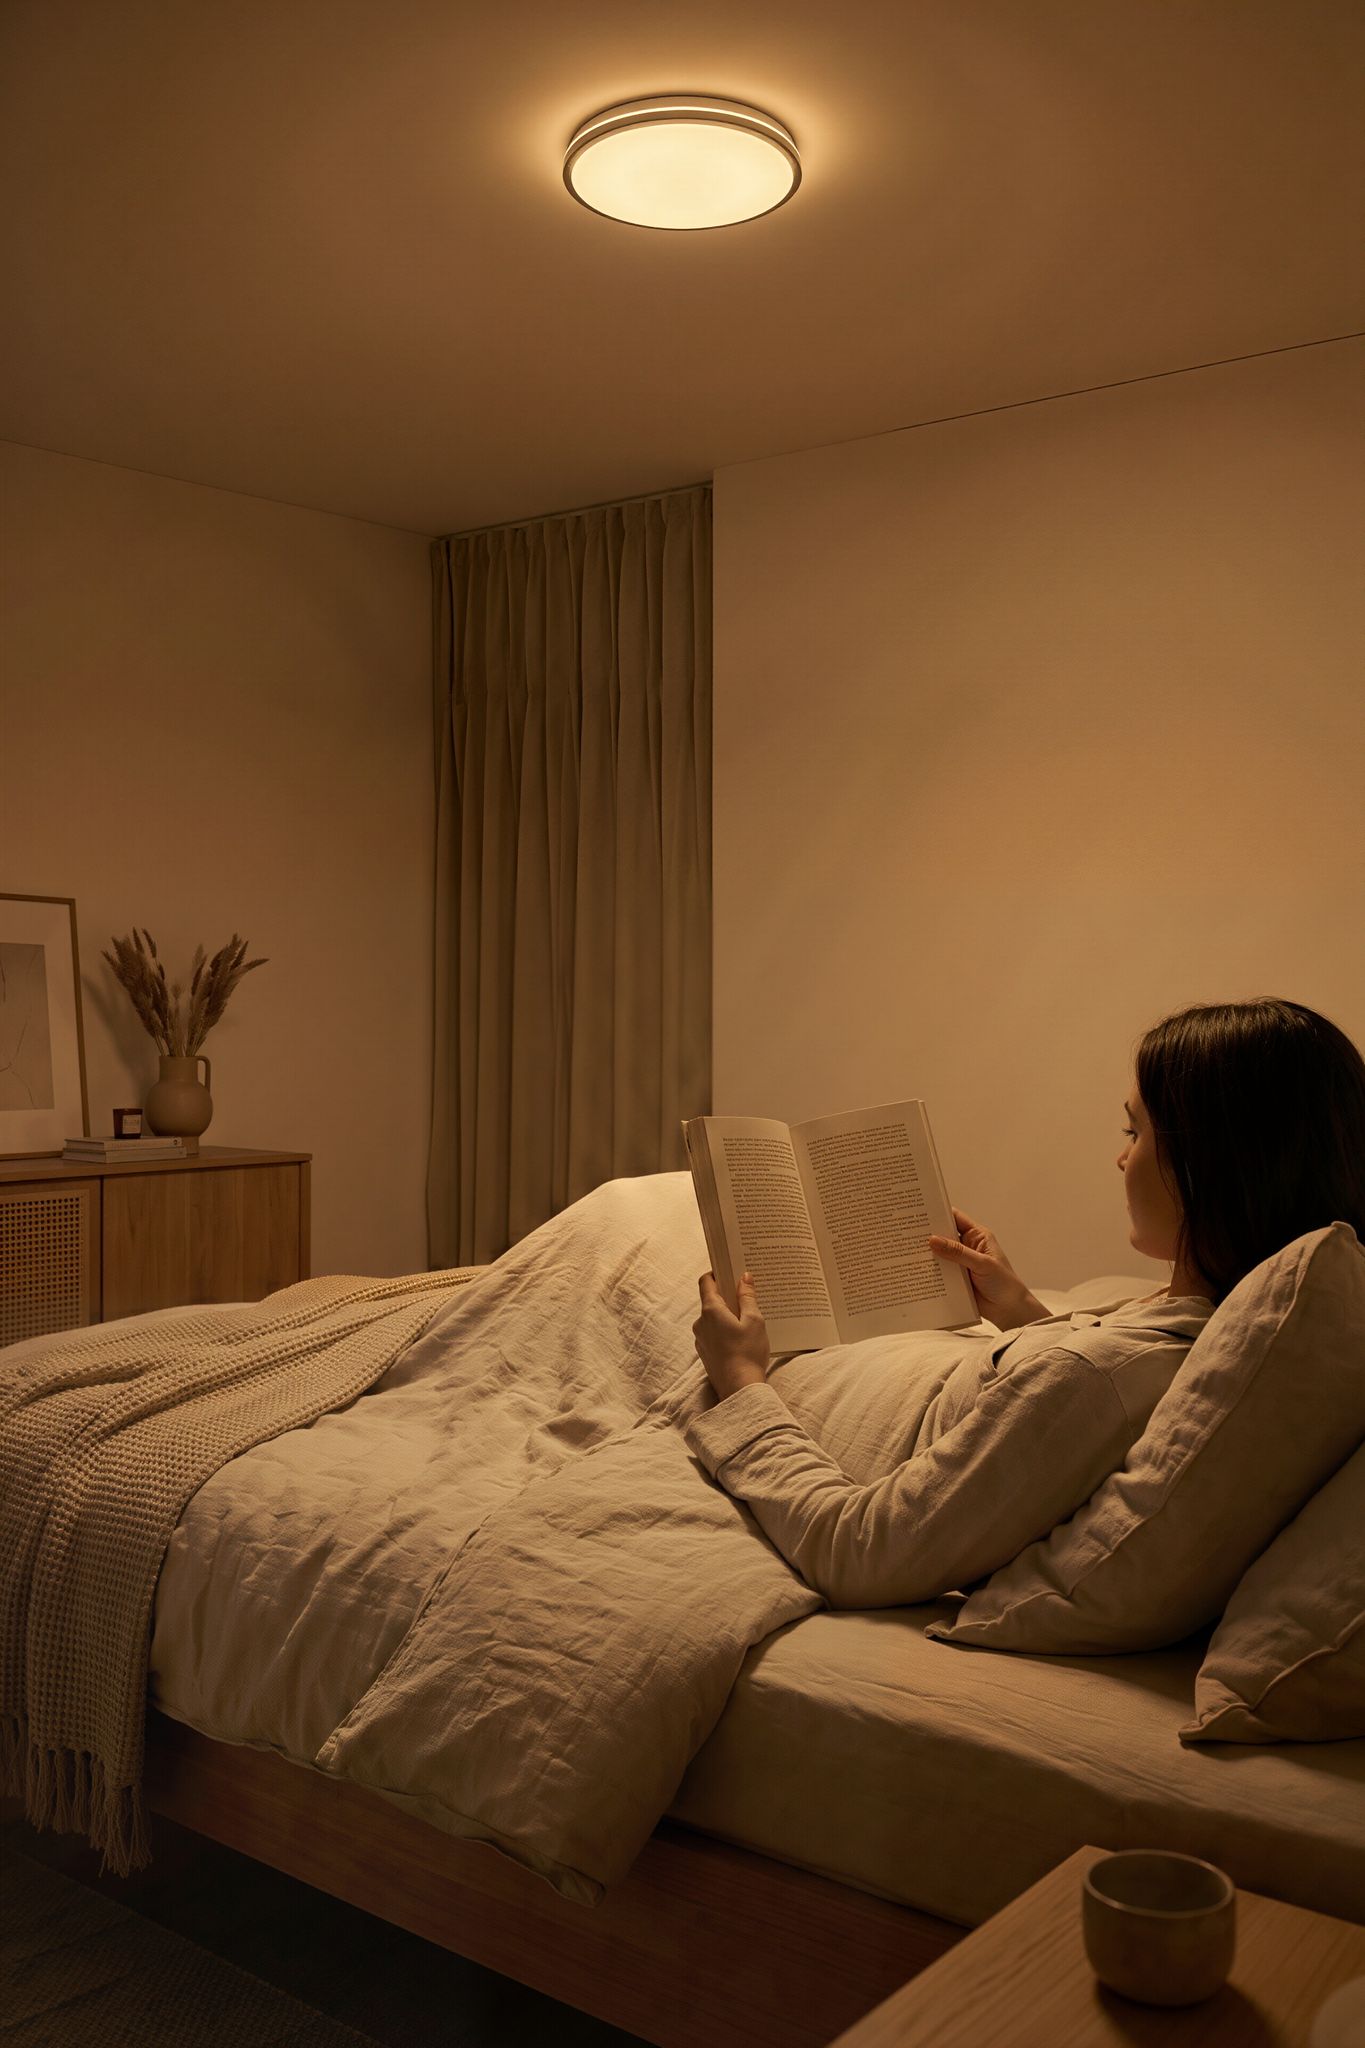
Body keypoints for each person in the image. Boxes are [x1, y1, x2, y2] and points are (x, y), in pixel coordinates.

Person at [685, 998, 1365, 1609]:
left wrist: (741, 1381)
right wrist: (1023, 1314)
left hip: (760, 1381)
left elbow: (860, 1553)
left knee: (652, 1215)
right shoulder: (1208, 1320)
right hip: (867, 1355)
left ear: (1203, 1167)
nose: (1120, 1161)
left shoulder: (1094, 1379)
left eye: (1134, 1134)